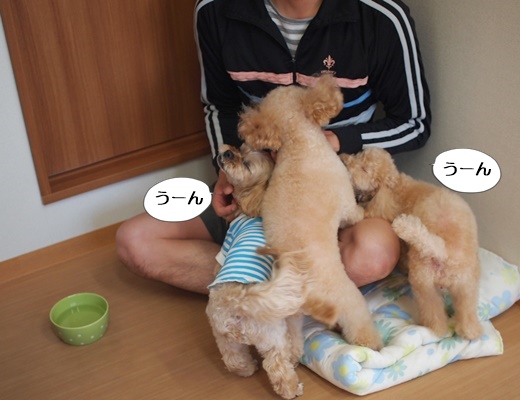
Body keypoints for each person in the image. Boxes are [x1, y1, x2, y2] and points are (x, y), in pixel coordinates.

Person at [116, 0, 431, 294]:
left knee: (374, 254)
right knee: (135, 242)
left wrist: (334, 141)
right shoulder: (215, 10)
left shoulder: (380, 16)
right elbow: (220, 106)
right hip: (260, 184)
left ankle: (265, 293)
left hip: (342, 191)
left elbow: (414, 123)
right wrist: (225, 170)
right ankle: (281, 295)